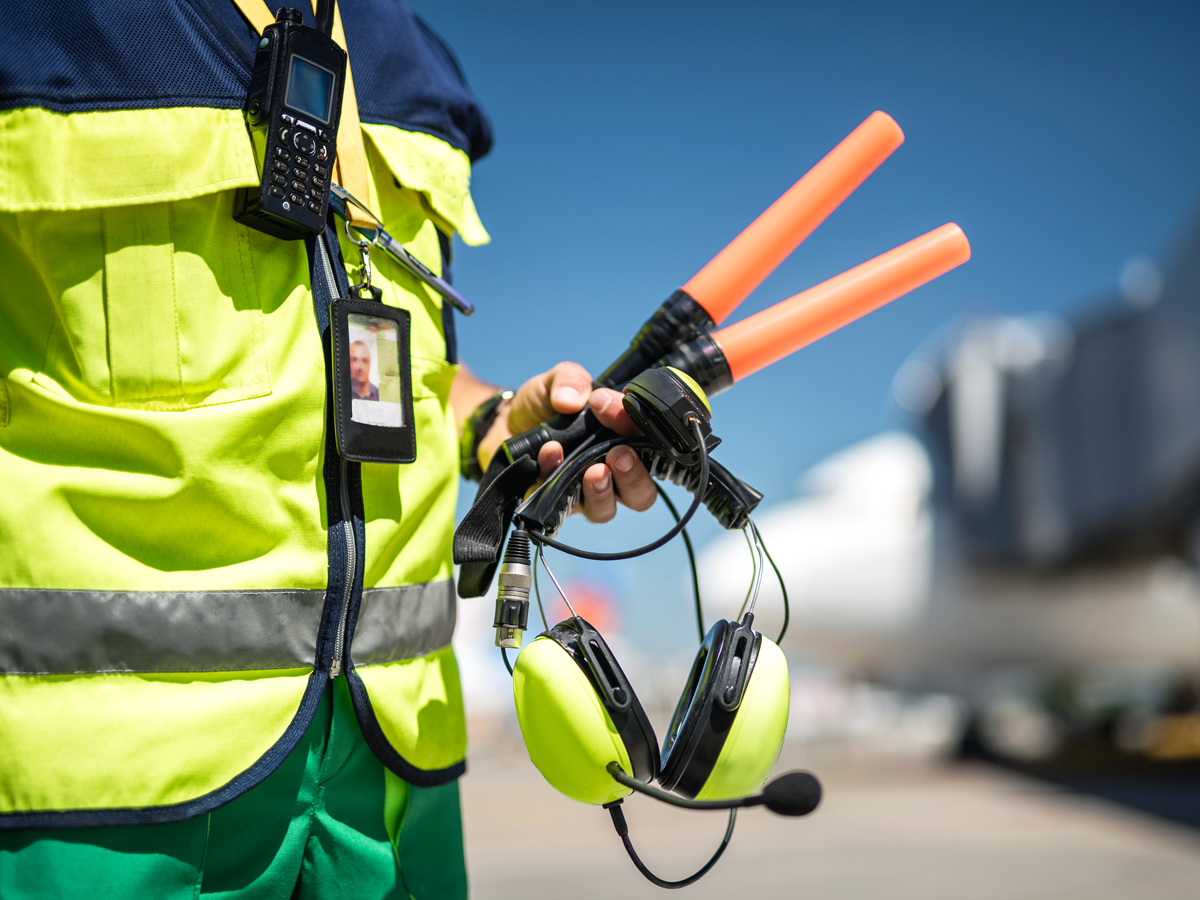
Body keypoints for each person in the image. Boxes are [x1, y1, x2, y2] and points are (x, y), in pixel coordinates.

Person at [0, 2, 657, 897]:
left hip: (396, 773)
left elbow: (393, 369)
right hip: (97, 793)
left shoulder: (413, 65)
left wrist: (496, 421)